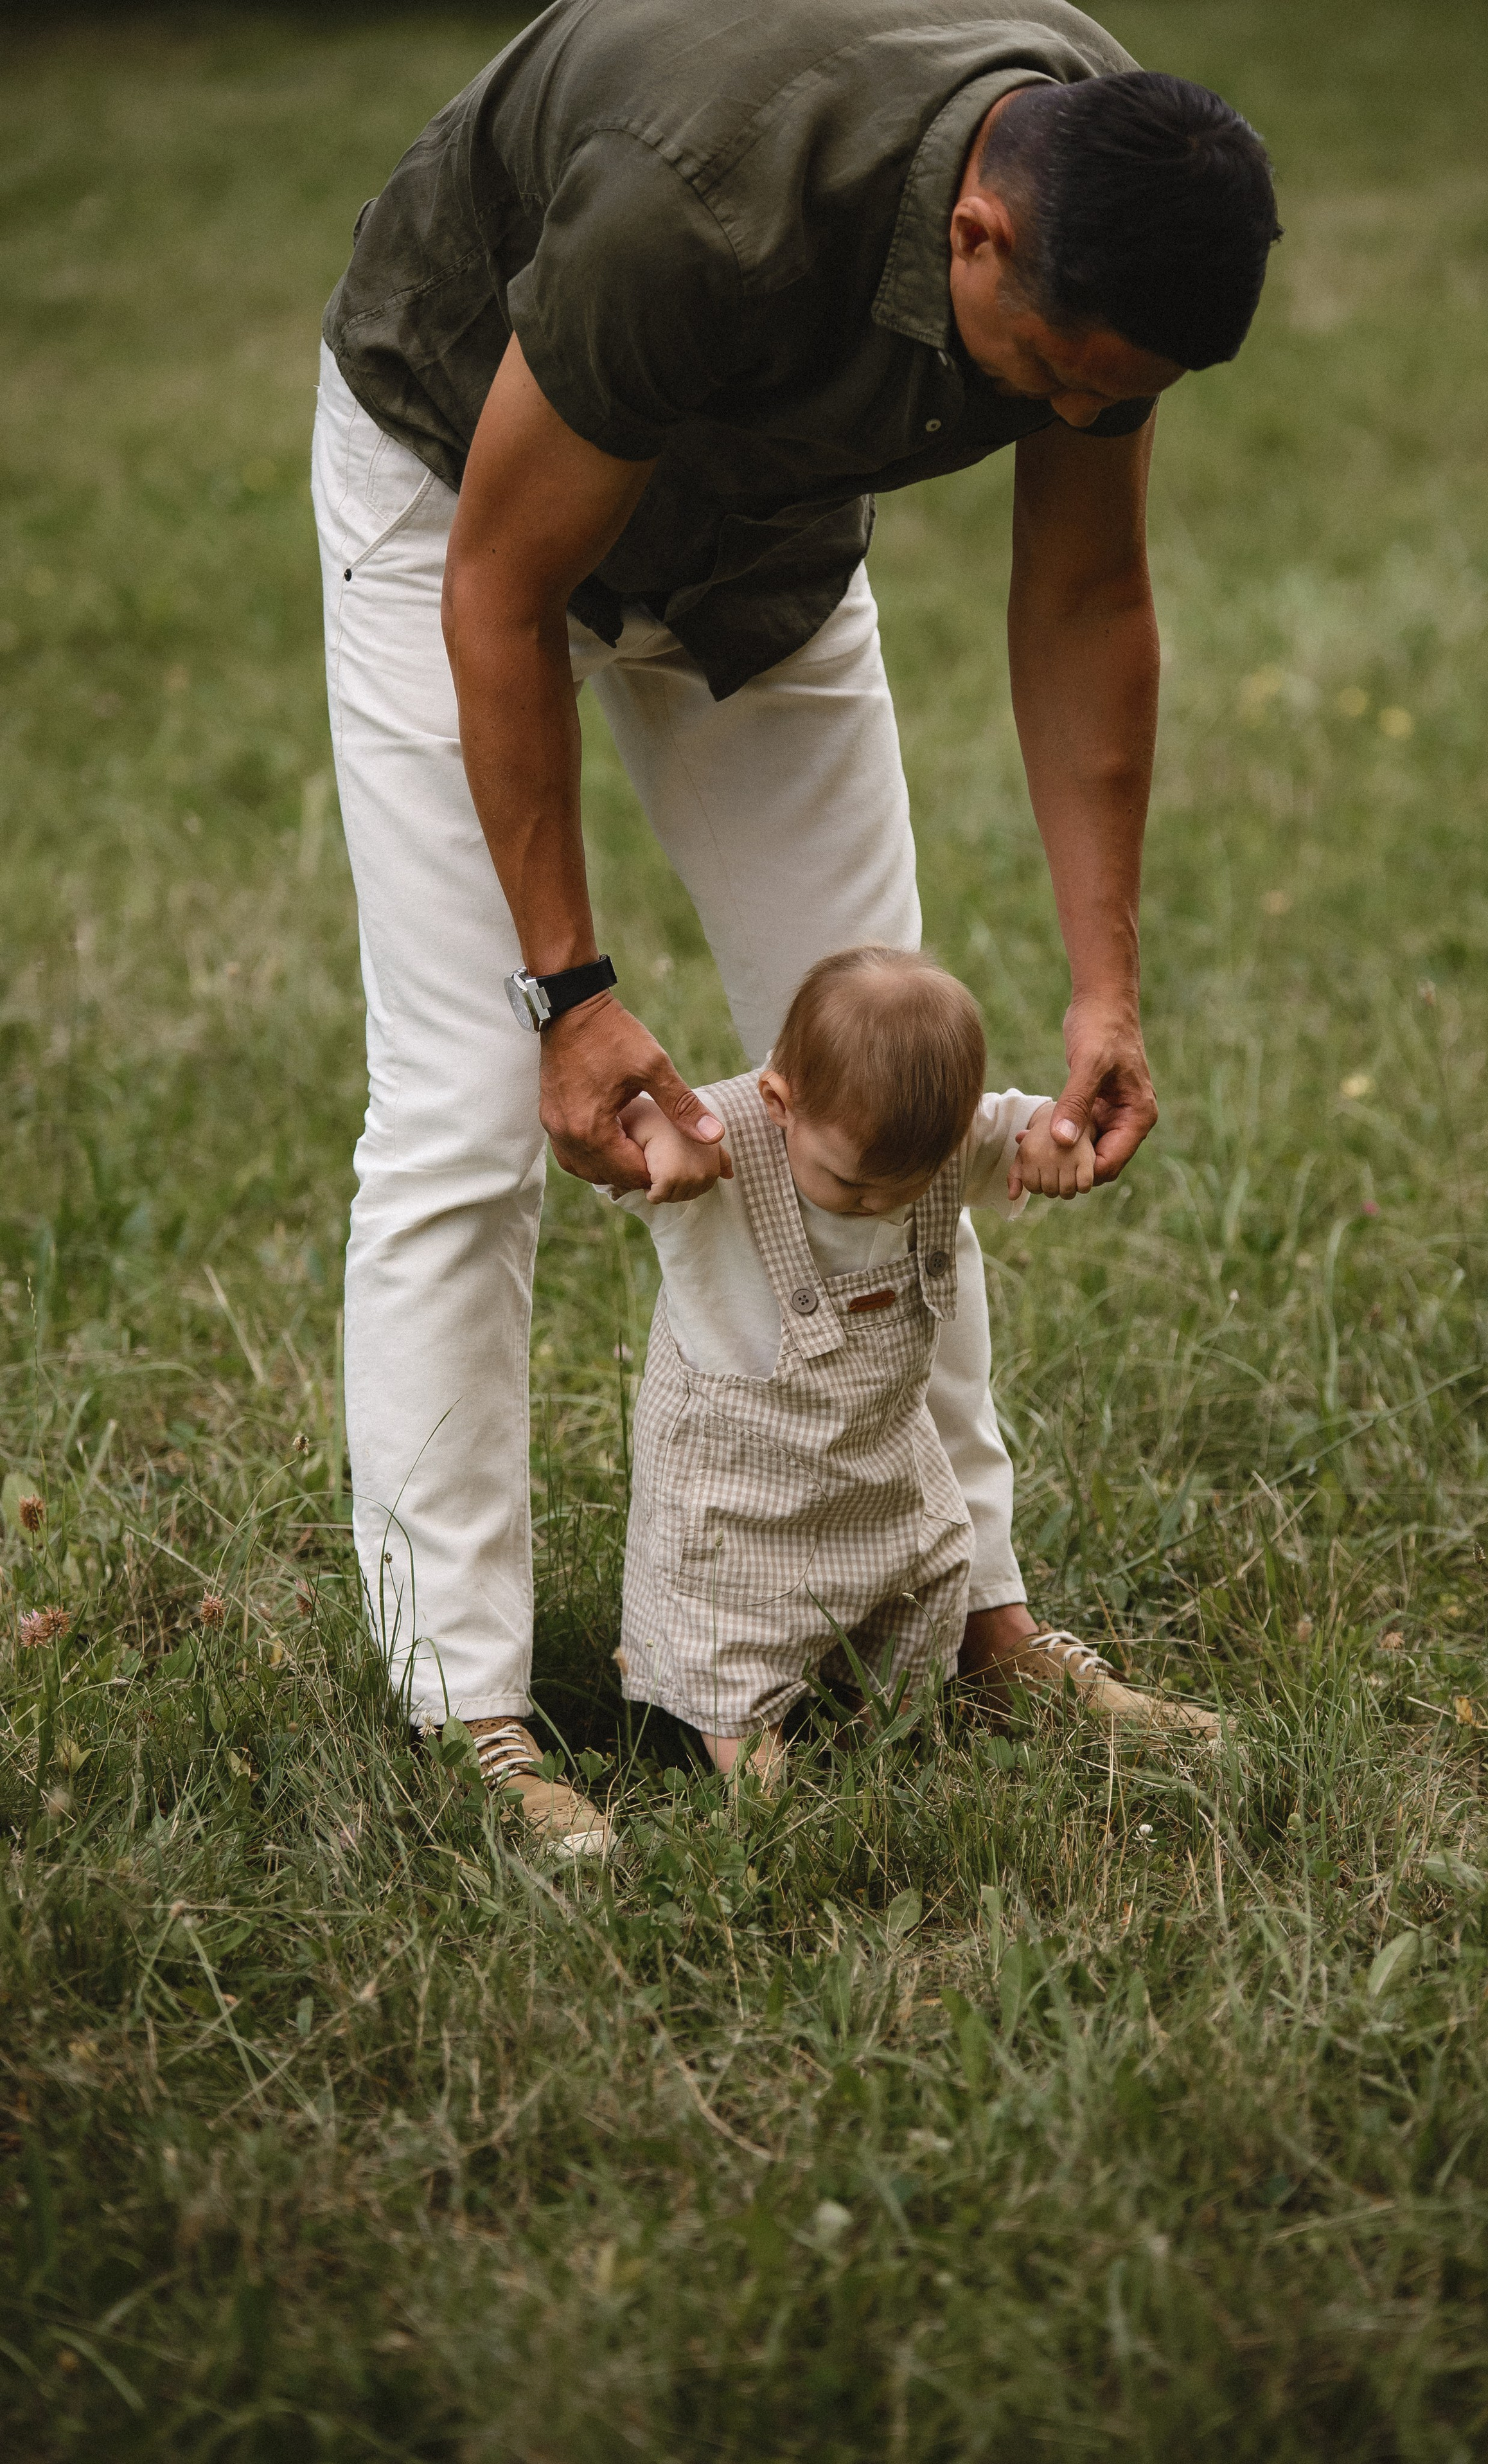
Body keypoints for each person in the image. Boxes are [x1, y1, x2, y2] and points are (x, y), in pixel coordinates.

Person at [310, 0, 1280, 1843]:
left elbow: (1086, 592)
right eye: (1057, 377)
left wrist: (1106, 986)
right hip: (462, 489)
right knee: (459, 1106)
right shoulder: (696, 210)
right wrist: (571, 994)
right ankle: (470, 1716)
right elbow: (504, 591)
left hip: (757, 550)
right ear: (976, 232)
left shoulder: (1103, 189)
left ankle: (970, 1614)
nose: (1075, 419)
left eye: (1116, 397)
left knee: (900, 1073)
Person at [605, 947, 1221, 1796]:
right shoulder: (721, 1135)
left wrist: (1056, 1139)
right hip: (734, 1476)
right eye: (853, 1184)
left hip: (878, 1458)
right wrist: (650, 1138)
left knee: (919, 1562)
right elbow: (622, 1118)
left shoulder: (934, 1135)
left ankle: (897, 1708)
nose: (880, 1205)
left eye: (909, 1184)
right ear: (781, 1102)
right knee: (728, 1622)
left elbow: (1024, 1124)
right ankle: (741, 1741)